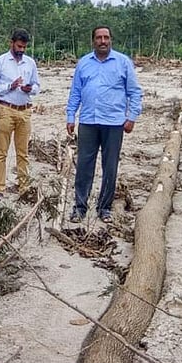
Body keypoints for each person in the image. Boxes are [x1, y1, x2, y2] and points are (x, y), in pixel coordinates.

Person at [65, 26, 143, 224]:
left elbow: (134, 92)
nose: (102, 41)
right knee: (84, 166)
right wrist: (70, 116)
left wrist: (132, 117)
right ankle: (80, 208)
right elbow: (75, 92)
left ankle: (105, 208)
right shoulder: (83, 63)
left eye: (106, 37)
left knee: (110, 167)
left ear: (111, 40)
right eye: (99, 37)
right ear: (93, 40)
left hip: (114, 123)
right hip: (88, 122)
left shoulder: (123, 62)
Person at [0, 29, 40, 200]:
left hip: (25, 110)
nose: (21, 50)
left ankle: (24, 188)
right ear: (11, 43)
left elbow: (37, 86)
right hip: (6, 109)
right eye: (19, 46)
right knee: (1, 151)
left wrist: (30, 89)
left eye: (24, 47)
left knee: (23, 152)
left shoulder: (30, 63)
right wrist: (9, 86)